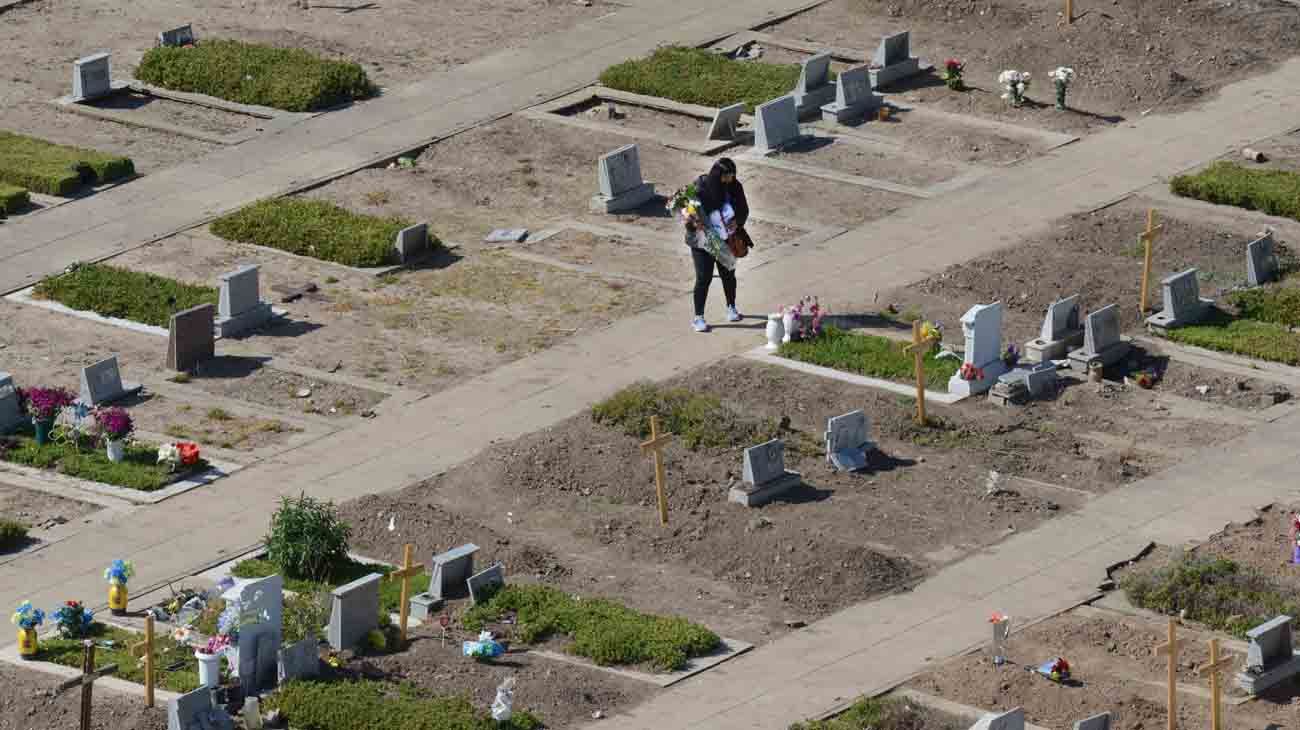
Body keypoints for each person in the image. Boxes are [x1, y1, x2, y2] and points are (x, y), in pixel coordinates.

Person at [685, 158, 750, 332]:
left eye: (733, 176)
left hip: (725, 240)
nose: (731, 179)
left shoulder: (735, 187)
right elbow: (689, 215)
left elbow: (744, 209)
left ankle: (731, 307)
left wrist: (737, 222)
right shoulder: (700, 188)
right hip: (703, 241)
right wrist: (693, 222)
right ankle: (698, 317)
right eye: (728, 176)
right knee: (703, 278)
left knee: (728, 274)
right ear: (719, 175)